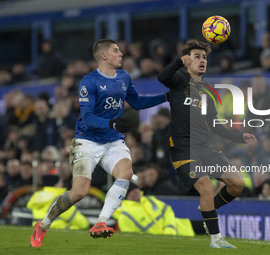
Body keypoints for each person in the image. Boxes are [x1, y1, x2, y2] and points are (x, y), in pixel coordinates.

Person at [30, 39, 168, 247]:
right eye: (116, 50)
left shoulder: (124, 77)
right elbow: (87, 118)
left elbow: (138, 102)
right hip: (87, 141)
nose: (121, 54)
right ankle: (43, 224)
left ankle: (100, 222)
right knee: (79, 193)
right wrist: (111, 123)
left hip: (112, 142)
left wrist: (166, 96)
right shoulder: (89, 81)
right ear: (103, 56)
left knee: (126, 173)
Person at [157, 39, 257, 249]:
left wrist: (240, 137)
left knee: (238, 184)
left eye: (204, 57)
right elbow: (162, 77)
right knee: (205, 184)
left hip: (205, 148)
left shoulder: (208, 93)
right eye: (196, 56)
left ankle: (207, 211)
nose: (202, 61)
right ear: (188, 61)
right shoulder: (179, 80)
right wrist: (178, 62)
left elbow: (215, 125)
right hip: (183, 149)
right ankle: (216, 239)